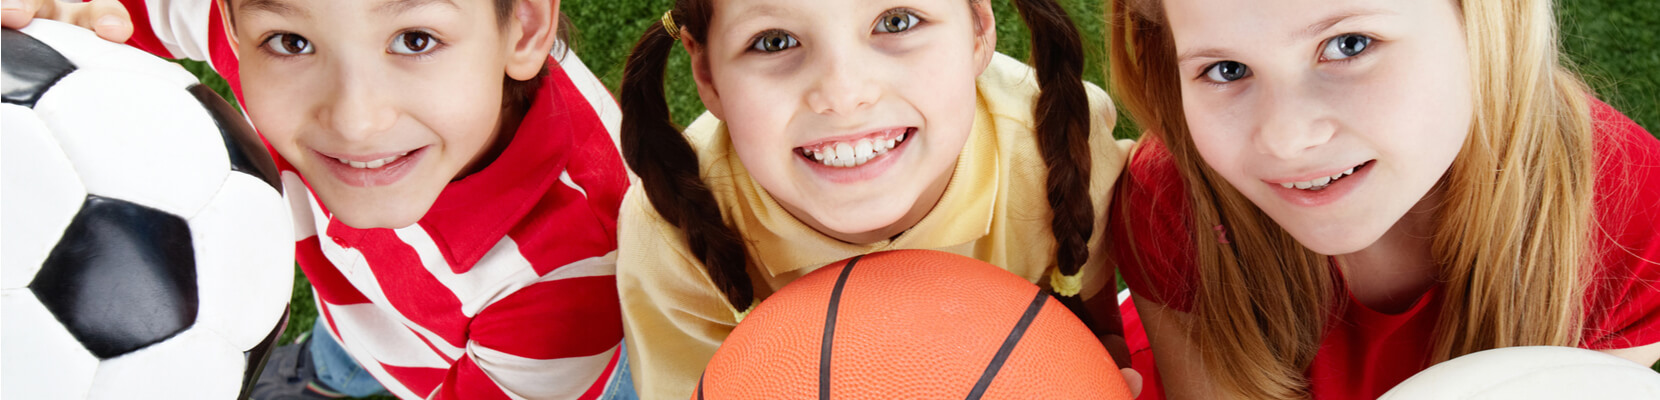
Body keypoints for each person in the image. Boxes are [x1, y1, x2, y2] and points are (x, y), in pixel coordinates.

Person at [2, 0, 635, 398]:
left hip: (508, 369)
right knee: (345, 354)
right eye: (292, 44)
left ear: (523, 28)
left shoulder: (568, 278)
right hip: (362, 308)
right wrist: (68, 19)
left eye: (415, 39)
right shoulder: (257, 18)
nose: (356, 121)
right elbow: (119, 13)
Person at [1102, 0, 1660, 398]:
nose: (1287, 138)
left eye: (1349, 44)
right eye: (1226, 69)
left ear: (1486, 20)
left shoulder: (1630, 206)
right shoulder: (1173, 198)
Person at [611, 0, 1140, 398]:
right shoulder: (672, 232)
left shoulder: (1051, 146)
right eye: (774, 41)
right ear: (707, 75)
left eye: (895, 21)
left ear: (978, 27)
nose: (844, 95)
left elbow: (1093, 324)